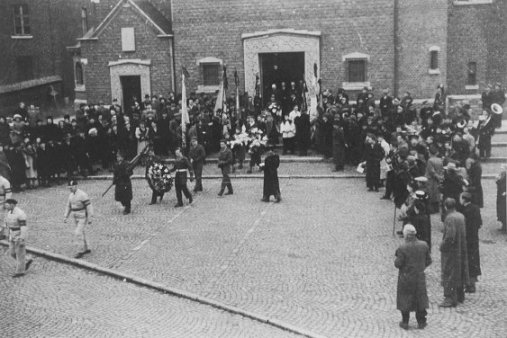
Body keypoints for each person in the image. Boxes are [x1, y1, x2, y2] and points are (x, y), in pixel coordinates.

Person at [395, 224, 431, 330]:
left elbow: (398, 264)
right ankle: (421, 322)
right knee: (420, 298)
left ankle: (405, 321)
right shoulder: (424, 245)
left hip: (406, 278)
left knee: (405, 298)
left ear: (406, 235)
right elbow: (429, 260)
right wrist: (420, 267)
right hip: (419, 277)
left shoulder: (402, 248)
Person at [439, 198, 469, 307]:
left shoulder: (449, 218)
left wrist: (442, 246)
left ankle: (449, 298)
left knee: (449, 272)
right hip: (461, 249)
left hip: (451, 251)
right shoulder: (461, 216)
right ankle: (460, 295)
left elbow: (450, 237)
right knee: (459, 271)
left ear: (446, 207)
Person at [457, 192, 482, 293]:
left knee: (467, 261)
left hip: (467, 240)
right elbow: (480, 223)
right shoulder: (476, 208)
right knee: (474, 261)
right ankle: (472, 283)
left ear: (464, 199)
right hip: (474, 239)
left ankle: (469, 284)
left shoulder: (464, 211)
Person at [63, 180, 93, 258]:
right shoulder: (70, 195)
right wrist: (66, 216)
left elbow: (89, 207)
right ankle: (86, 248)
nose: (70, 189)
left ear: (76, 186)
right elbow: (68, 206)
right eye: (69, 188)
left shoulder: (83, 195)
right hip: (75, 216)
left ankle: (80, 251)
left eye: (71, 187)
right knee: (82, 232)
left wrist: (90, 217)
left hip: (83, 216)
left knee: (78, 233)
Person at [4, 199, 33, 277]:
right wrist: (7, 234)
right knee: (12, 252)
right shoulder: (9, 212)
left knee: (20, 254)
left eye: (7, 205)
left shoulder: (20, 214)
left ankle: (20, 272)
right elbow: (8, 224)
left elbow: (23, 227)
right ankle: (27, 259)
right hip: (12, 234)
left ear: (12, 205)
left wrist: (22, 238)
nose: (5, 206)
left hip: (19, 234)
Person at [0, 174, 13, 240]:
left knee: (2, 218)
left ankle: (3, 234)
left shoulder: (5, 181)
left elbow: (8, 193)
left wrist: (7, 202)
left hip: (2, 202)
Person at [496, 167, 506, 232]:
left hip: (503, 198)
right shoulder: (502, 179)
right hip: (500, 197)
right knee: (501, 211)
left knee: (503, 211)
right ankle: (504, 225)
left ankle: (505, 226)